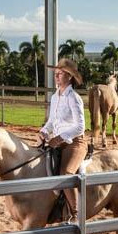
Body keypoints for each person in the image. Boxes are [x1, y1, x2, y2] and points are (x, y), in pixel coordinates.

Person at [39, 58, 87, 223]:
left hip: (75, 143)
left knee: (65, 173)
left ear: (69, 77)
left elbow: (80, 126)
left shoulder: (73, 98)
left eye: (60, 74)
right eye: (56, 73)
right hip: (57, 142)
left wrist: (59, 138)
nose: (56, 76)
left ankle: (76, 214)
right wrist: (44, 131)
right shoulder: (55, 97)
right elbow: (52, 121)